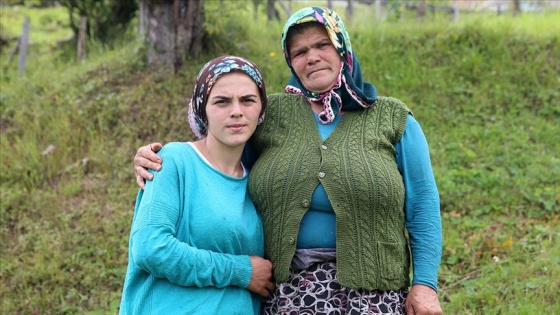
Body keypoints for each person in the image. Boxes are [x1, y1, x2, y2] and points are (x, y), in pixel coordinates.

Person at [133, 7, 442, 315]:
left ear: (342, 47)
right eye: (300, 51)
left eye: (323, 45)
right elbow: (220, 157)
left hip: (374, 295)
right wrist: (159, 157)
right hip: (288, 295)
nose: (312, 57)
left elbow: (423, 204)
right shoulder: (273, 115)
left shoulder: (392, 118)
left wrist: (425, 284)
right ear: (290, 61)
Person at [119, 55, 275, 315]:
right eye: (222, 101)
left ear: (261, 110)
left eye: (248, 100)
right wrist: (240, 271)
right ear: (202, 109)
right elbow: (150, 248)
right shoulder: (175, 161)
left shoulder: (258, 180)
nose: (236, 111)